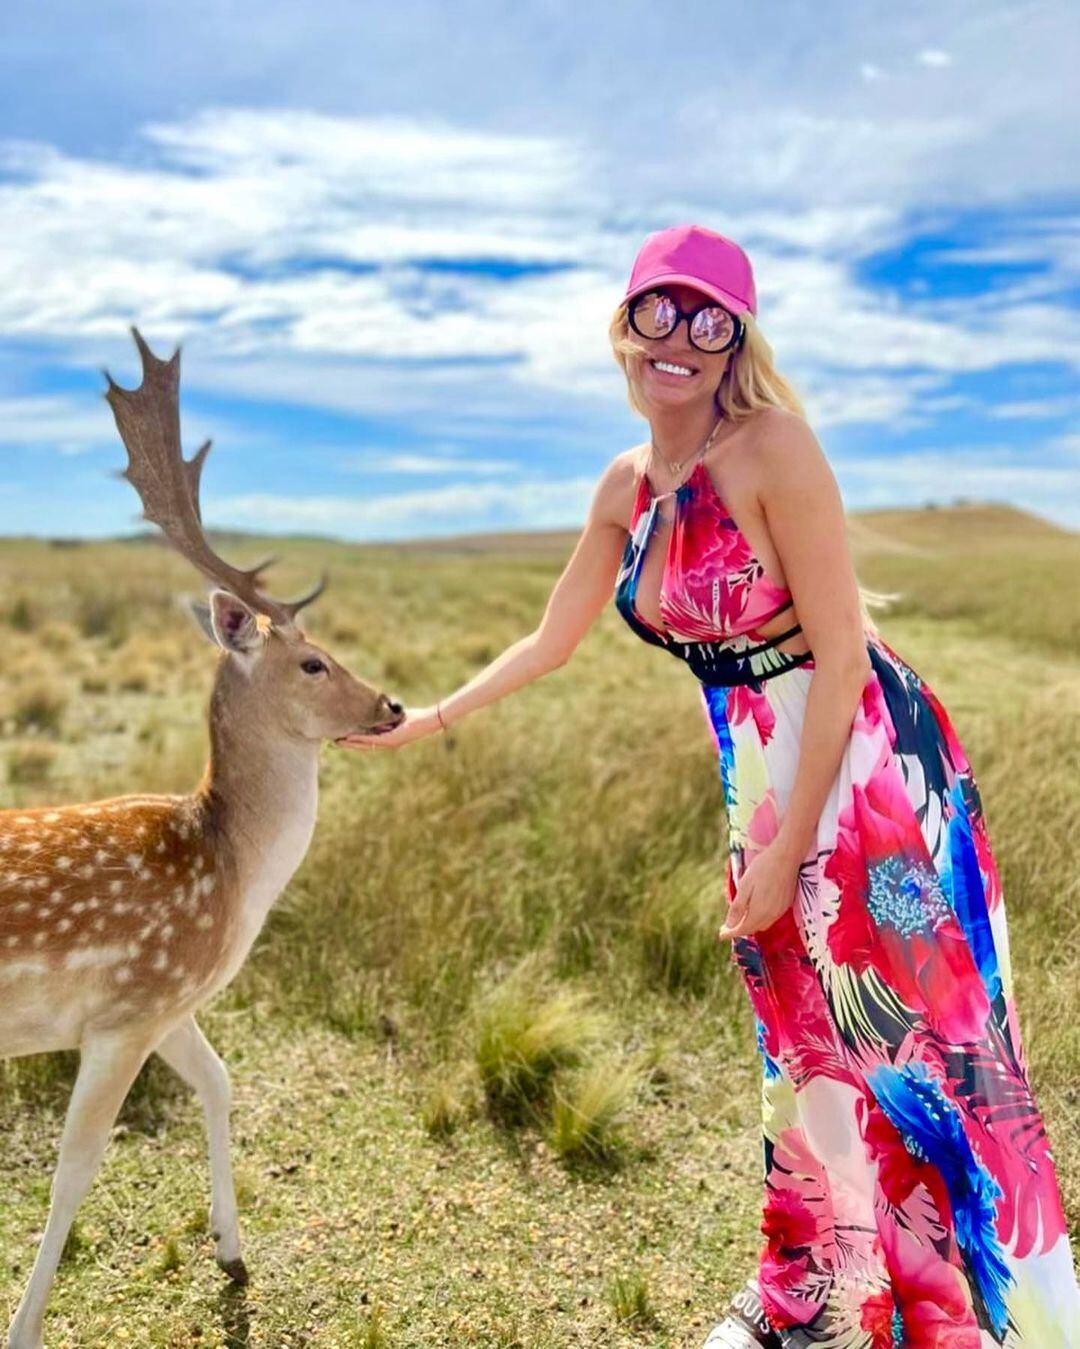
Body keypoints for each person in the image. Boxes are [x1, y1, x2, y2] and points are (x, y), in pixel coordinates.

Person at [336, 224, 1080, 1346]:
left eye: (708, 318)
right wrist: (428, 718)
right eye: (657, 311)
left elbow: (840, 652)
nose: (678, 337)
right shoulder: (628, 486)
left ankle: (1008, 1320)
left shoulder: (774, 447)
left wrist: (791, 854)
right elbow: (550, 639)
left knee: (924, 1045)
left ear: (736, 343)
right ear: (624, 332)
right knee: (801, 1032)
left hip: (865, 764)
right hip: (763, 778)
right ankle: (818, 1293)